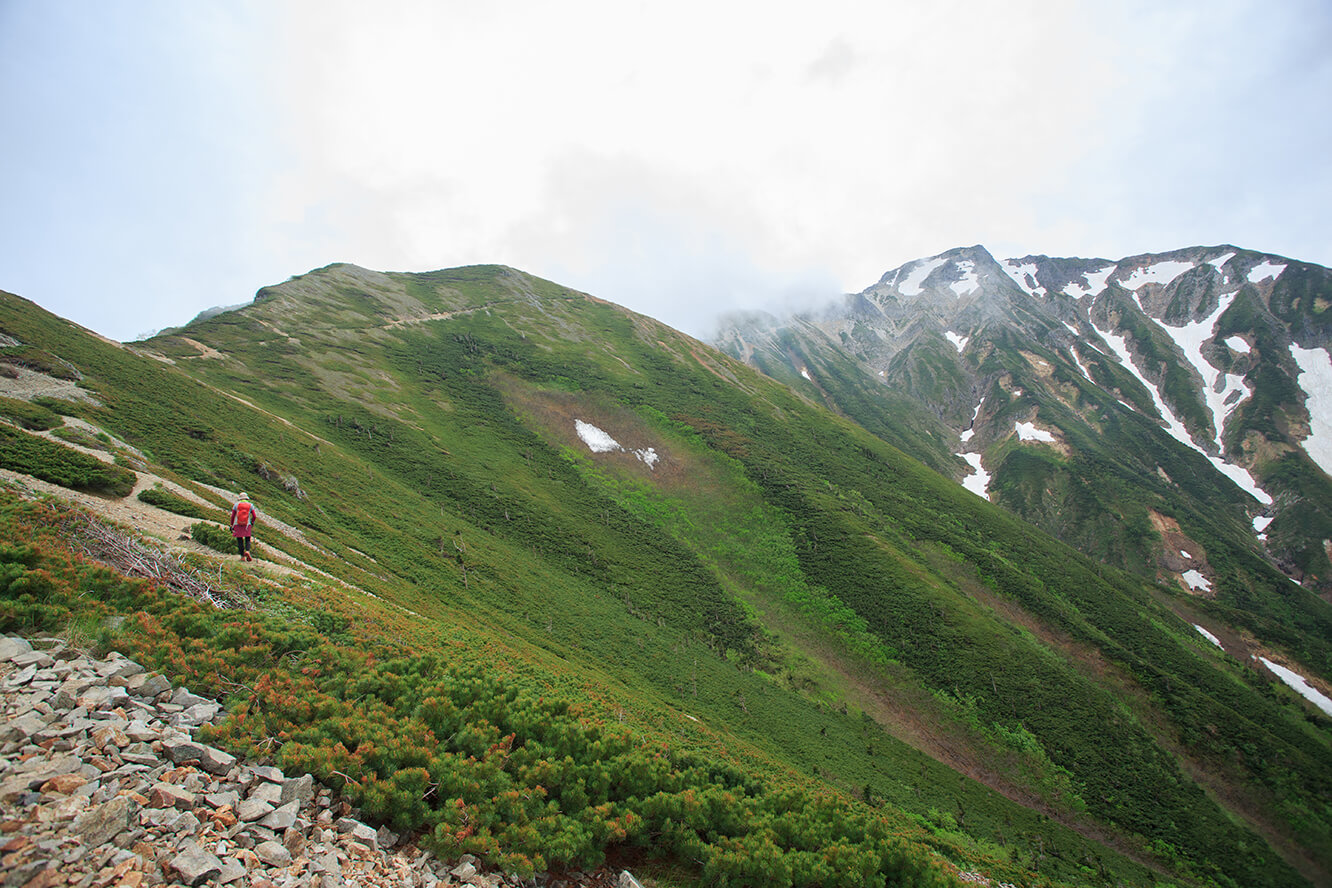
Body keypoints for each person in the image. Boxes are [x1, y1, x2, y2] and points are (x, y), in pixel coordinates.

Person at [230, 492, 258, 561]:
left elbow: (233, 515)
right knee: (247, 539)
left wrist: (231, 524)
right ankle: (247, 551)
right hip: (247, 524)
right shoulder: (250, 505)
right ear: (246, 498)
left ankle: (242, 556)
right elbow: (254, 516)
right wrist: (252, 522)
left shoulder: (236, 505)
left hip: (237, 524)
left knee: (240, 540)